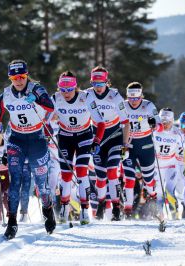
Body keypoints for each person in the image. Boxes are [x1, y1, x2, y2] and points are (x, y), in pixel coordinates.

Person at [0, 59, 55, 239]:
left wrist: (38, 100)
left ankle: (48, 210)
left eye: (22, 76)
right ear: (10, 78)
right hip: (16, 140)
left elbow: (51, 107)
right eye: (14, 77)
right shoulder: (5, 96)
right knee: (15, 181)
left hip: (37, 139)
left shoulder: (36, 89)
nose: (18, 81)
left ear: (26, 76)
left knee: (41, 183)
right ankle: (12, 222)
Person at [51, 71, 105, 225]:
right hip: (65, 138)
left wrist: (97, 140)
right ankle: (64, 208)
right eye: (63, 89)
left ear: (75, 87)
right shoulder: (55, 98)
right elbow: (44, 118)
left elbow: (100, 122)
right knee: (66, 175)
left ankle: (84, 210)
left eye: (69, 89)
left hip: (84, 137)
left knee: (81, 172)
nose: (66, 93)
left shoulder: (86, 97)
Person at [85, 66, 130, 221]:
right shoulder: (87, 94)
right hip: (96, 137)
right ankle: (102, 204)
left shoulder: (115, 96)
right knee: (100, 176)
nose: (98, 88)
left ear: (106, 82)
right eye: (95, 84)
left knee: (112, 172)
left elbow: (126, 122)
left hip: (114, 136)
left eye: (101, 84)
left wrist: (125, 144)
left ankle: (116, 207)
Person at [122, 82, 162, 219]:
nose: (133, 102)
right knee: (129, 178)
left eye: (136, 98)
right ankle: (127, 209)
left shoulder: (148, 105)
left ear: (141, 96)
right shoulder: (123, 105)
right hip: (129, 145)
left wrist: (154, 124)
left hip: (145, 145)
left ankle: (152, 196)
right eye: (131, 98)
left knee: (148, 178)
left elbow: (159, 124)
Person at [153, 108, 185, 220]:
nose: (165, 125)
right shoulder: (154, 130)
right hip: (157, 165)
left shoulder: (177, 133)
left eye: (168, 122)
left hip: (171, 165)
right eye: (163, 122)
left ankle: (174, 215)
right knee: (158, 193)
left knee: (169, 191)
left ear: (172, 120)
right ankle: (160, 217)